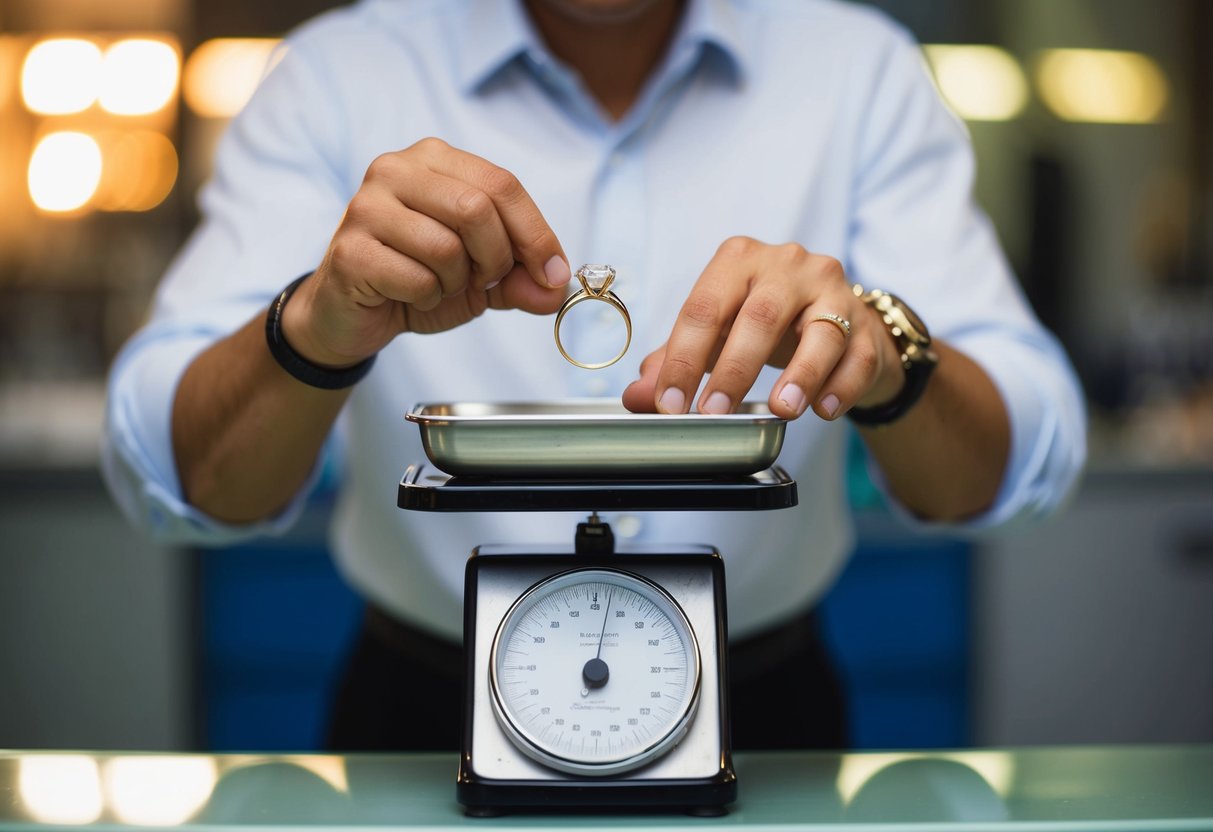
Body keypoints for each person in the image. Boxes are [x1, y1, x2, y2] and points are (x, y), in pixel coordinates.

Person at [102, 0, 1086, 751]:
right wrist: (314, 323)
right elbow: (173, 470)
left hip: (770, 714)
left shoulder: (859, 70)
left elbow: (1020, 463)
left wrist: (882, 349)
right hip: (417, 712)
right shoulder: (335, 75)